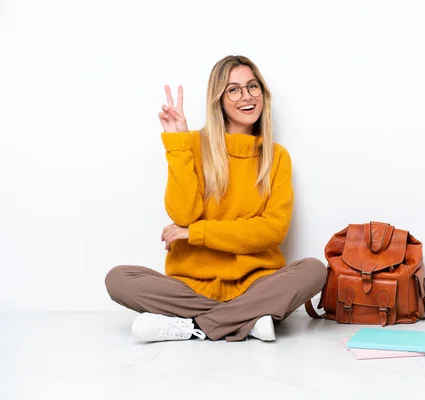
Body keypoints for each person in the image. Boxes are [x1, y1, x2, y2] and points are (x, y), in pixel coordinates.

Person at [105, 55, 327, 343]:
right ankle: (248, 319)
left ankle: (194, 326)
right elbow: (183, 214)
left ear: (262, 93)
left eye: (252, 87)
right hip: (192, 288)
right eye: (233, 89)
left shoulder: (277, 157)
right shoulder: (193, 145)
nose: (245, 97)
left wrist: (195, 233)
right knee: (118, 278)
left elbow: (272, 231)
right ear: (219, 100)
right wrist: (178, 144)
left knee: (314, 270)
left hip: (255, 285)